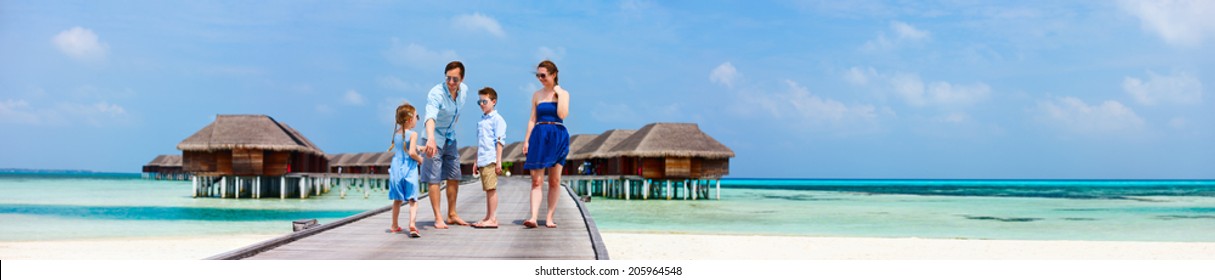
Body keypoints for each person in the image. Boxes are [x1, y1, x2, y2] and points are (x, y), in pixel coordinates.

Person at [421, 61, 470, 229]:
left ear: (462, 79)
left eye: (455, 79)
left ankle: (452, 214)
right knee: (434, 178)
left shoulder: (464, 91)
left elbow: (456, 113)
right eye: (448, 78)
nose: (451, 82)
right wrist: (430, 138)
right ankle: (438, 217)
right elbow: (430, 116)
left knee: (454, 175)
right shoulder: (436, 93)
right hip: (433, 137)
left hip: (450, 137)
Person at [522, 60, 570, 229]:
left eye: (543, 75)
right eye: (538, 75)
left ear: (553, 74)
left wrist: (558, 92)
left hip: (557, 134)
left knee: (555, 180)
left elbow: (562, 113)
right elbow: (532, 119)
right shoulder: (536, 95)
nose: (540, 78)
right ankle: (533, 217)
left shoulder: (563, 93)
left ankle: (549, 217)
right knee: (536, 181)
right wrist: (527, 140)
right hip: (539, 135)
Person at [471, 87, 507, 229]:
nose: (481, 104)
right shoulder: (482, 120)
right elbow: (480, 142)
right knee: (487, 189)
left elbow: (499, 141)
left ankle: (492, 218)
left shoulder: (497, 119)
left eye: (484, 101)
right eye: (479, 102)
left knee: (491, 188)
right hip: (482, 158)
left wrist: (498, 161)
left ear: (493, 101)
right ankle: (488, 216)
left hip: (491, 158)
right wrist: (476, 160)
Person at [387, 102, 423, 238]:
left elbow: (404, 146)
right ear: (409, 120)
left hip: (396, 169)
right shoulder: (413, 134)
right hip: (409, 168)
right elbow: (412, 152)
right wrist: (421, 160)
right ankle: (412, 225)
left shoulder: (396, 134)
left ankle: (394, 225)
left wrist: (422, 147)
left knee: (397, 200)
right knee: (413, 200)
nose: (417, 120)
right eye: (416, 117)